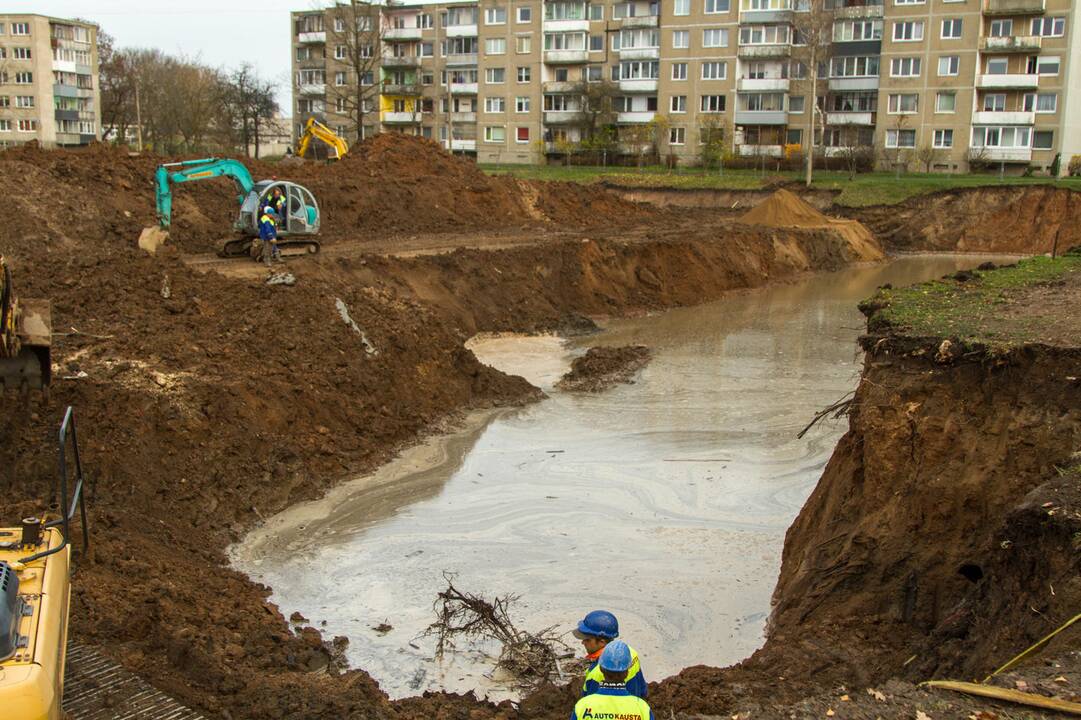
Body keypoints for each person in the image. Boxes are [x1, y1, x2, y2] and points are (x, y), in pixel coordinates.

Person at [571, 641, 653, 720]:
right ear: (627, 673)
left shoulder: (583, 707)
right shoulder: (642, 709)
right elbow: (643, 692)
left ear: (600, 669)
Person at [574, 610, 646, 698]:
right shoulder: (631, 653)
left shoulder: (597, 672)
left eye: (587, 639)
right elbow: (642, 689)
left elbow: (590, 704)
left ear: (602, 642)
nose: (583, 642)